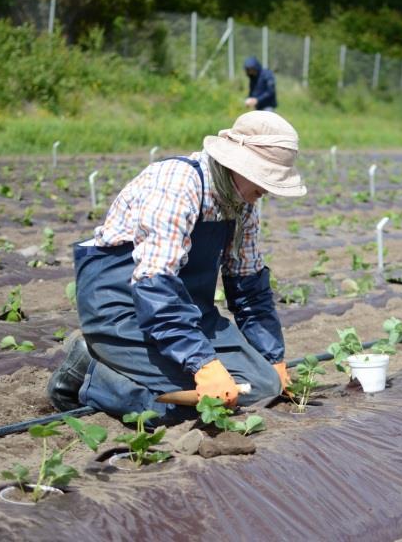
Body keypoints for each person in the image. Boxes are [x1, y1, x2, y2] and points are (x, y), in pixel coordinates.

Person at [47, 111, 305, 424]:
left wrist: (273, 358)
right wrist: (203, 365)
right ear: (238, 164)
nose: (268, 191)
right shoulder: (178, 185)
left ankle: (137, 367)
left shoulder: (242, 206)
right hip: (124, 310)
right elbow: (155, 286)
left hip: (187, 313)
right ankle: (91, 371)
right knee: (196, 408)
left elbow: (248, 289)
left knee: (262, 388)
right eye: (265, 178)